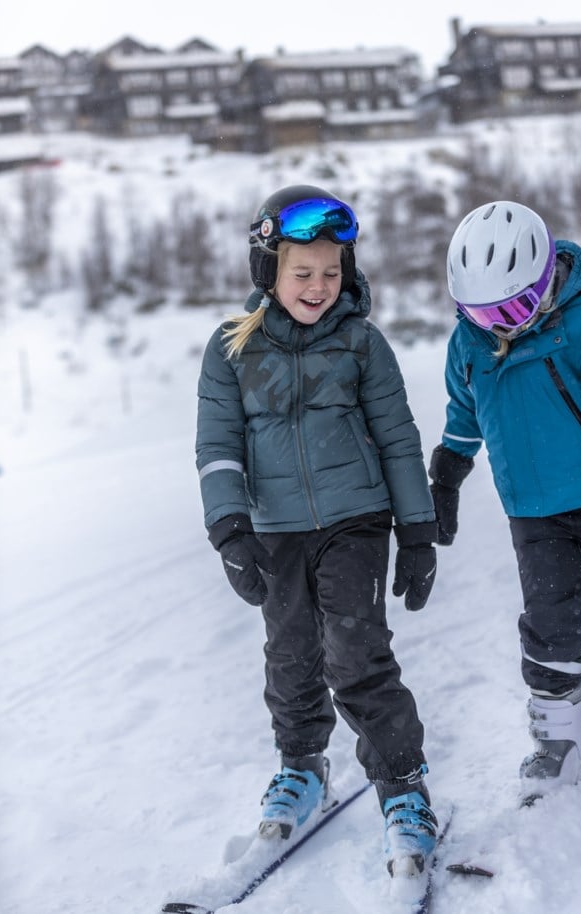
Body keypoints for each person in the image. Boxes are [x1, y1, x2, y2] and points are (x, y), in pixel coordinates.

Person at [196, 185, 439, 876]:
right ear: (268, 269)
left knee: (357, 654)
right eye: (303, 272)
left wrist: (416, 531)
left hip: (357, 519)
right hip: (275, 530)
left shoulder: (362, 343)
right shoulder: (231, 349)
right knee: (291, 654)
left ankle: (403, 788)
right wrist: (229, 527)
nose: (319, 286)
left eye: (332, 272)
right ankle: (302, 766)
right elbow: (217, 443)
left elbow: (397, 437)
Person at [428, 200, 581, 805]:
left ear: (545, 275)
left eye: (513, 308)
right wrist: (449, 468)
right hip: (532, 513)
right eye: (481, 312)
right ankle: (559, 744)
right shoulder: (469, 343)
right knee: (550, 627)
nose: (499, 325)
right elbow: (464, 407)